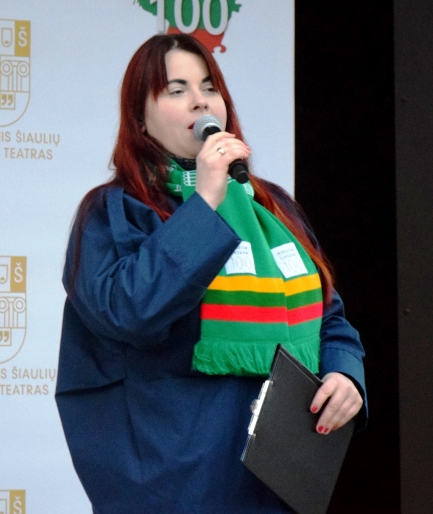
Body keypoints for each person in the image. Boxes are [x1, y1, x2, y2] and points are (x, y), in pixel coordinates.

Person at [55, 33, 367, 513]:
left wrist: (345, 373)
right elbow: (129, 312)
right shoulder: (114, 211)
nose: (200, 101)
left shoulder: (273, 207)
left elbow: (329, 316)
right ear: (140, 119)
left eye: (209, 87)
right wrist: (203, 204)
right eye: (176, 90)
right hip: (175, 474)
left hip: (276, 474)